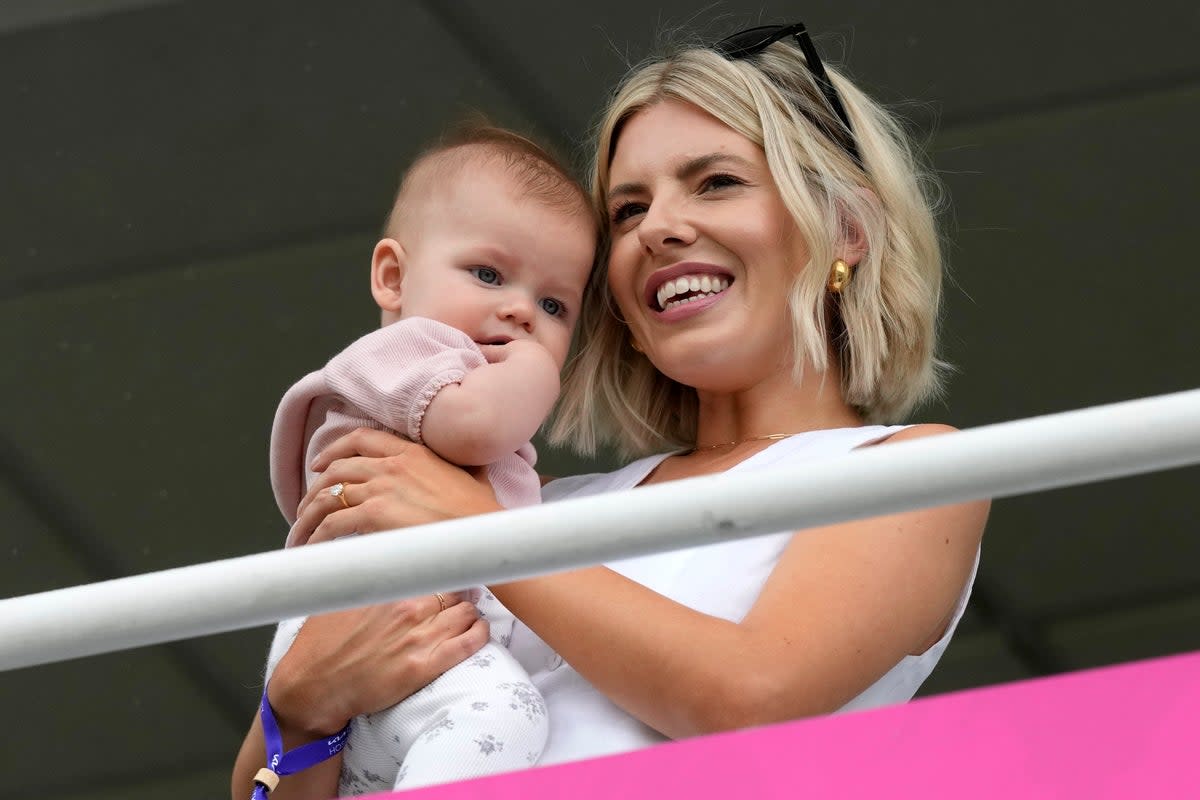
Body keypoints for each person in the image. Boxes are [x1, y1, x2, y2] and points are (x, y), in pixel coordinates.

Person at [232, 22, 989, 800]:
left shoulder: (915, 469)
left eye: (716, 182)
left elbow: (757, 695)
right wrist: (300, 709)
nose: (656, 228)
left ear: (847, 229)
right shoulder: (526, 502)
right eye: (627, 211)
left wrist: (476, 531)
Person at [255, 124, 597, 796]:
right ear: (392, 277)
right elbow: (473, 429)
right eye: (488, 273)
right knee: (507, 714)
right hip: (365, 613)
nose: (521, 310)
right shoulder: (404, 357)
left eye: (554, 305)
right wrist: (535, 370)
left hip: (410, 634)